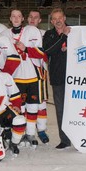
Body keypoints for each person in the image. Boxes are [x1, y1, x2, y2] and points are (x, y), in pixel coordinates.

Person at [1, 9, 46, 147]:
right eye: (13, 16)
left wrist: (25, 48)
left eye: (18, 16)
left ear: (22, 19)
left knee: (32, 107)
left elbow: (42, 53)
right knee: (18, 108)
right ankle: (18, 134)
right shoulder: (4, 34)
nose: (16, 18)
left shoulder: (32, 31)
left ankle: (31, 134)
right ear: (10, 18)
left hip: (32, 76)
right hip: (15, 78)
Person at [42, 8, 71, 149]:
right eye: (55, 18)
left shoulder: (76, 32)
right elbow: (48, 51)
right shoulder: (49, 34)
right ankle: (65, 140)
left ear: (64, 18)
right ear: (52, 21)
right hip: (58, 77)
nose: (58, 20)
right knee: (61, 109)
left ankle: (79, 137)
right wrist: (63, 38)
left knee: (76, 109)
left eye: (60, 17)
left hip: (77, 79)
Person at [27, 10, 49, 144]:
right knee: (25, 104)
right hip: (22, 75)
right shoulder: (21, 32)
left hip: (39, 73)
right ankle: (26, 131)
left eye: (36, 18)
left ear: (40, 20)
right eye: (30, 17)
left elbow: (44, 54)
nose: (32, 19)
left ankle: (41, 130)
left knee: (41, 104)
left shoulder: (45, 35)